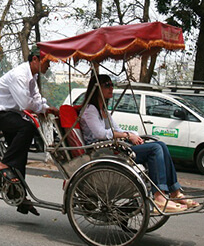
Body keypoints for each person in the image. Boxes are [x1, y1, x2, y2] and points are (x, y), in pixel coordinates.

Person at [78, 74, 197, 213]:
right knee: (154, 149)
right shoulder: (90, 110)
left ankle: (175, 191)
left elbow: (117, 129)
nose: (111, 88)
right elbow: (100, 133)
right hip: (101, 151)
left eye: (112, 85)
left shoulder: (104, 110)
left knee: (161, 145)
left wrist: (131, 135)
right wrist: (126, 135)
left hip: (112, 147)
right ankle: (159, 196)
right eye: (107, 85)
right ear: (97, 88)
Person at [0, 46, 59, 216]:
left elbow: (37, 98)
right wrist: (44, 109)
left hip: (11, 113)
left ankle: (20, 196)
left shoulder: (32, 77)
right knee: (27, 127)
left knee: (21, 154)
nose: (48, 67)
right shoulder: (19, 75)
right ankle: (4, 163)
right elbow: (26, 104)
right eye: (46, 62)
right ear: (35, 60)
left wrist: (47, 108)